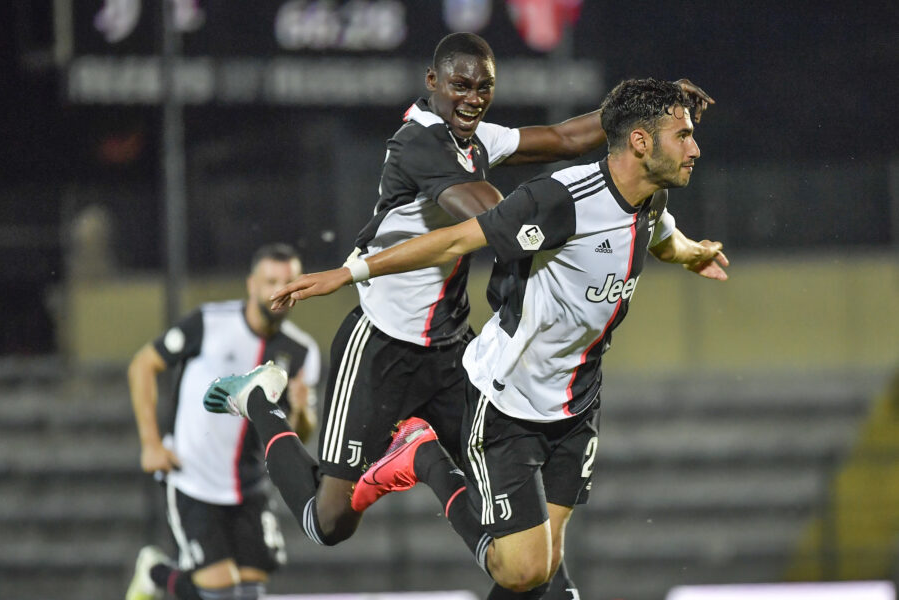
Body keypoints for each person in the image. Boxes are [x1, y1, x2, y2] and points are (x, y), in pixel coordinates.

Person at [205, 31, 712, 599]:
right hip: (383, 344)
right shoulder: (417, 143)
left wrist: (642, 106)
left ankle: (552, 585)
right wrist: (552, 212)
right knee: (330, 523)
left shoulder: (474, 137)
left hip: (452, 348)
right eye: (460, 86)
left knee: (516, 528)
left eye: (484, 87)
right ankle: (256, 401)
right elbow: (486, 217)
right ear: (432, 83)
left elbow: (567, 136)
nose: (473, 98)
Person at [125, 243, 320, 600]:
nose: (280, 289)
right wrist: (151, 443)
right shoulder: (209, 322)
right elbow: (143, 365)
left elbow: (299, 432)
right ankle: (154, 573)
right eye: (270, 280)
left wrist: (304, 412)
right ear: (251, 284)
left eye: (290, 281)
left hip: (251, 485)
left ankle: (158, 575)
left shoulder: (303, 351)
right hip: (192, 477)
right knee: (218, 592)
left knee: (249, 592)